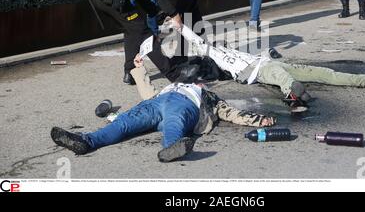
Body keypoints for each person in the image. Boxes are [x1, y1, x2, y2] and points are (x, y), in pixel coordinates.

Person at [50, 65, 276, 162]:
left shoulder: (207, 94)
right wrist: (138, 70)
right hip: (157, 103)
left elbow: (231, 113)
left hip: (184, 106)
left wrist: (258, 120)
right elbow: (147, 90)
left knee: (174, 125)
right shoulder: (173, 85)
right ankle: (86, 142)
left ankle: (170, 150)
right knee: (124, 123)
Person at [173, 24, 365, 113]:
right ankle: (293, 93)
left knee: (321, 73)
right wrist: (179, 26)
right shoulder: (212, 55)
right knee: (282, 77)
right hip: (257, 70)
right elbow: (196, 41)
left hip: (267, 63)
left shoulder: (222, 50)